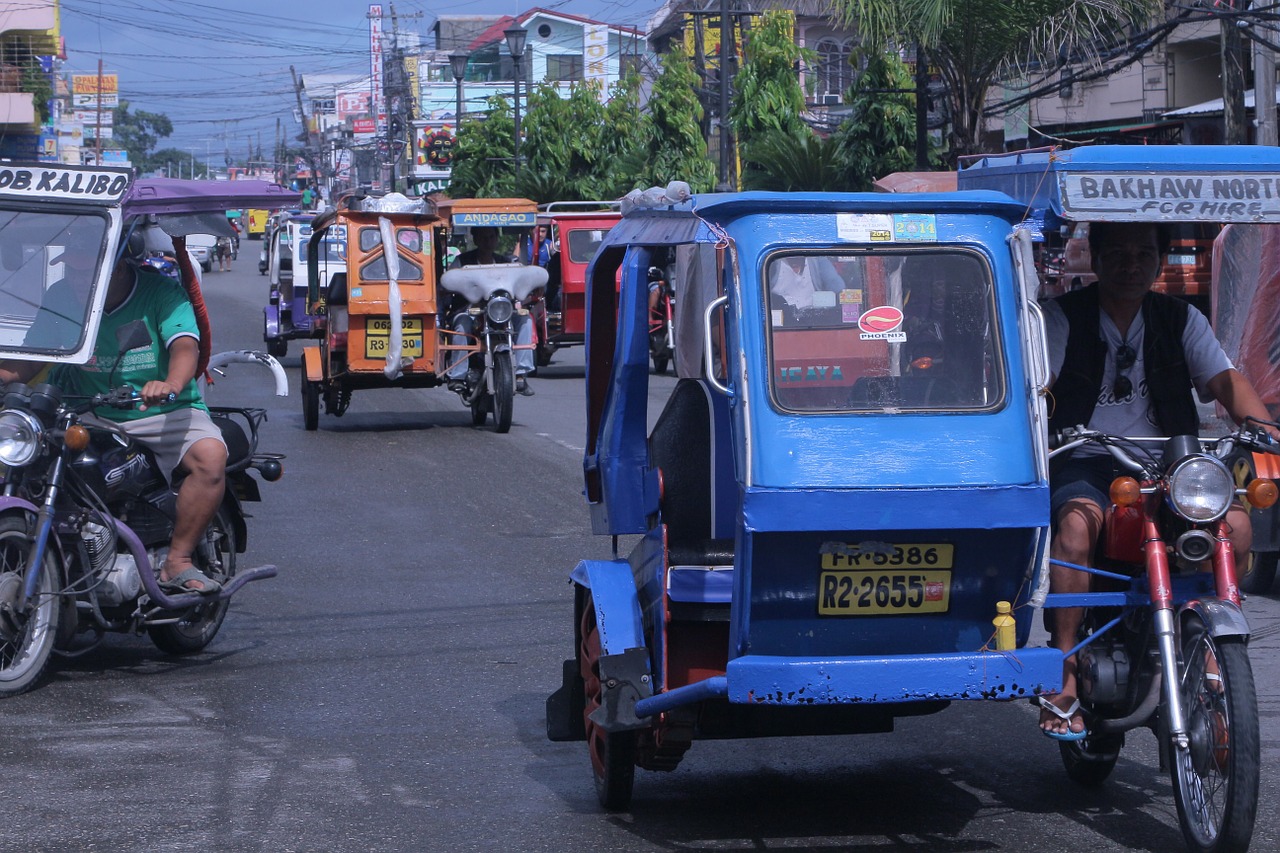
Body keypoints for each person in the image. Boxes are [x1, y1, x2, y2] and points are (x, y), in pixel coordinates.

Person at [1039, 221, 1280, 739]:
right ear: (1095, 258)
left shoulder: (1180, 318)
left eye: (1144, 253)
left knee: (1235, 527)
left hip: (1168, 459)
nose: (1131, 264)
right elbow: (1044, 385)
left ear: (1160, 261)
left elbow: (1225, 381)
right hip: (1086, 455)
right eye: (1118, 252)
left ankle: (1215, 657)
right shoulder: (1063, 318)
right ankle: (1065, 672)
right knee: (1077, 531)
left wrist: (1264, 429)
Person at [0, 245, 229, 595]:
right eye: (74, 273)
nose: (77, 282)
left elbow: (185, 347)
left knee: (211, 457)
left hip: (162, 410)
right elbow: (33, 357)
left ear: (118, 268)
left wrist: (170, 383)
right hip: (89, 410)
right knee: (25, 459)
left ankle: (178, 560)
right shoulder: (62, 295)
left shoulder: (162, 293)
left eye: (85, 274)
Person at [445, 226, 535, 396]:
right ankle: (457, 375)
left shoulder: (506, 263)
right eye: (484, 237)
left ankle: (521, 375)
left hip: (500, 311)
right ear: (476, 239)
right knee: (461, 323)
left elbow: (520, 281)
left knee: (526, 320)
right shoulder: (461, 262)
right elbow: (449, 281)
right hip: (471, 311)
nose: (488, 241)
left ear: (497, 239)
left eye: (492, 237)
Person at [769, 254, 846, 309]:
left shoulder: (818, 259)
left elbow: (837, 287)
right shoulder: (771, 262)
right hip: (782, 323)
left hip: (815, 319)